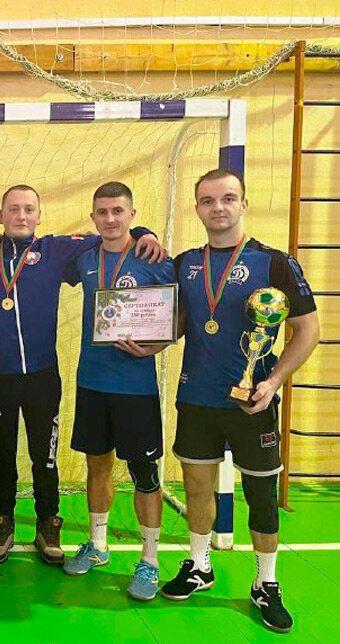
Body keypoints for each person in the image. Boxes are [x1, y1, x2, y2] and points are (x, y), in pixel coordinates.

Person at [0, 185, 165, 566]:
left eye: (29, 209)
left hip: (42, 376)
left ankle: (48, 521)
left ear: (39, 216)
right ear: (0, 216)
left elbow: (113, 235)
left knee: (45, 456)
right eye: (13, 209)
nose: (21, 215)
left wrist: (145, 234)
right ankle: (2, 519)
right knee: (1, 455)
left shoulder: (57, 250)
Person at [161, 169, 319, 633]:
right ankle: (199, 565)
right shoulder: (185, 263)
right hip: (196, 397)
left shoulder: (275, 263)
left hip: (254, 402)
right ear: (197, 208)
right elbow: (175, 321)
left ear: (244, 204)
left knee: (261, 497)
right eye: (208, 200)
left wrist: (273, 382)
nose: (219, 207)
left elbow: (308, 330)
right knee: (196, 490)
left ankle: (265, 583)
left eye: (228, 198)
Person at [61, 181, 175, 600]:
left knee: (145, 474)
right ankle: (98, 545)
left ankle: (150, 560)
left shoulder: (154, 259)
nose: (110, 219)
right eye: (103, 212)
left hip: (135, 387)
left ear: (132, 214)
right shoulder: (84, 259)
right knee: (97, 466)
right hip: (92, 382)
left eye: (118, 211)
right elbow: (48, 250)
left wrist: (156, 346)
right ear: (93, 217)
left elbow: (176, 314)